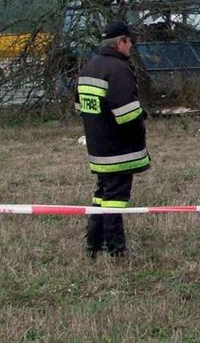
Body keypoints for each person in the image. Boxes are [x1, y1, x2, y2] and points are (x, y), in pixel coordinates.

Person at [76, 22, 150, 259]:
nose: (131, 47)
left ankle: (94, 244)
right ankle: (116, 249)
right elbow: (127, 114)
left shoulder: (89, 67)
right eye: (130, 42)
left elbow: (80, 106)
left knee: (102, 195)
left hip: (98, 146)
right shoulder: (118, 69)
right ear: (121, 42)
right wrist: (142, 116)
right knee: (115, 199)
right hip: (119, 149)